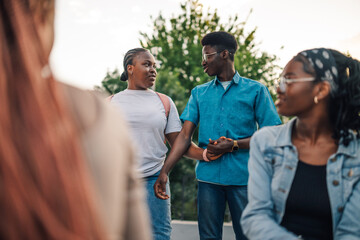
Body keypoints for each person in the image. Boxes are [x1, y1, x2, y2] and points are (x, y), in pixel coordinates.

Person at [0, 0, 151, 239]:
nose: (152, 69)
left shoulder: (157, 103)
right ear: (43, 22)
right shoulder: (103, 113)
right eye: (146, 64)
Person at [154, 31, 281, 240]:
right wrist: (165, 171)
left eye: (207, 56)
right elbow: (184, 137)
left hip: (245, 179)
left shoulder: (256, 90)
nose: (203, 62)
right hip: (208, 180)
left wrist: (234, 144)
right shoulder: (198, 93)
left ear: (224, 55)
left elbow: (272, 134)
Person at [241, 48, 360, 239]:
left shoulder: (356, 154)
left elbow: (351, 233)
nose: (278, 88)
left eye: (288, 80)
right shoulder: (266, 142)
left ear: (321, 90)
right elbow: (255, 217)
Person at [109, 47, 204, 240]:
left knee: (159, 234)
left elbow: (179, 143)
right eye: (146, 64)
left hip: (155, 179)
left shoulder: (164, 102)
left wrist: (204, 154)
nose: (153, 69)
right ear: (130, 68)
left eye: (154, 65)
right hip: (119, 180)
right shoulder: (110, 103)